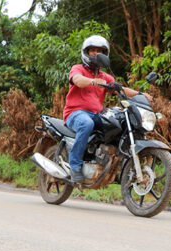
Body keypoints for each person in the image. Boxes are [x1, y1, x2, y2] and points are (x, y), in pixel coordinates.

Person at [63, 35, 152, 183]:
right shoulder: (77, 69)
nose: (96, 54)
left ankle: (112, 165)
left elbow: (122, 90)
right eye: (93, 50)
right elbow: (77, 80)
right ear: (86, 52)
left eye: (100, 51)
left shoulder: (106, 77)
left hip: (95, 114)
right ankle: (75, 165)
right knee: (86, 124)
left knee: (116, 125)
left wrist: (141, 94)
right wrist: (92, 81)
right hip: (75, 113)